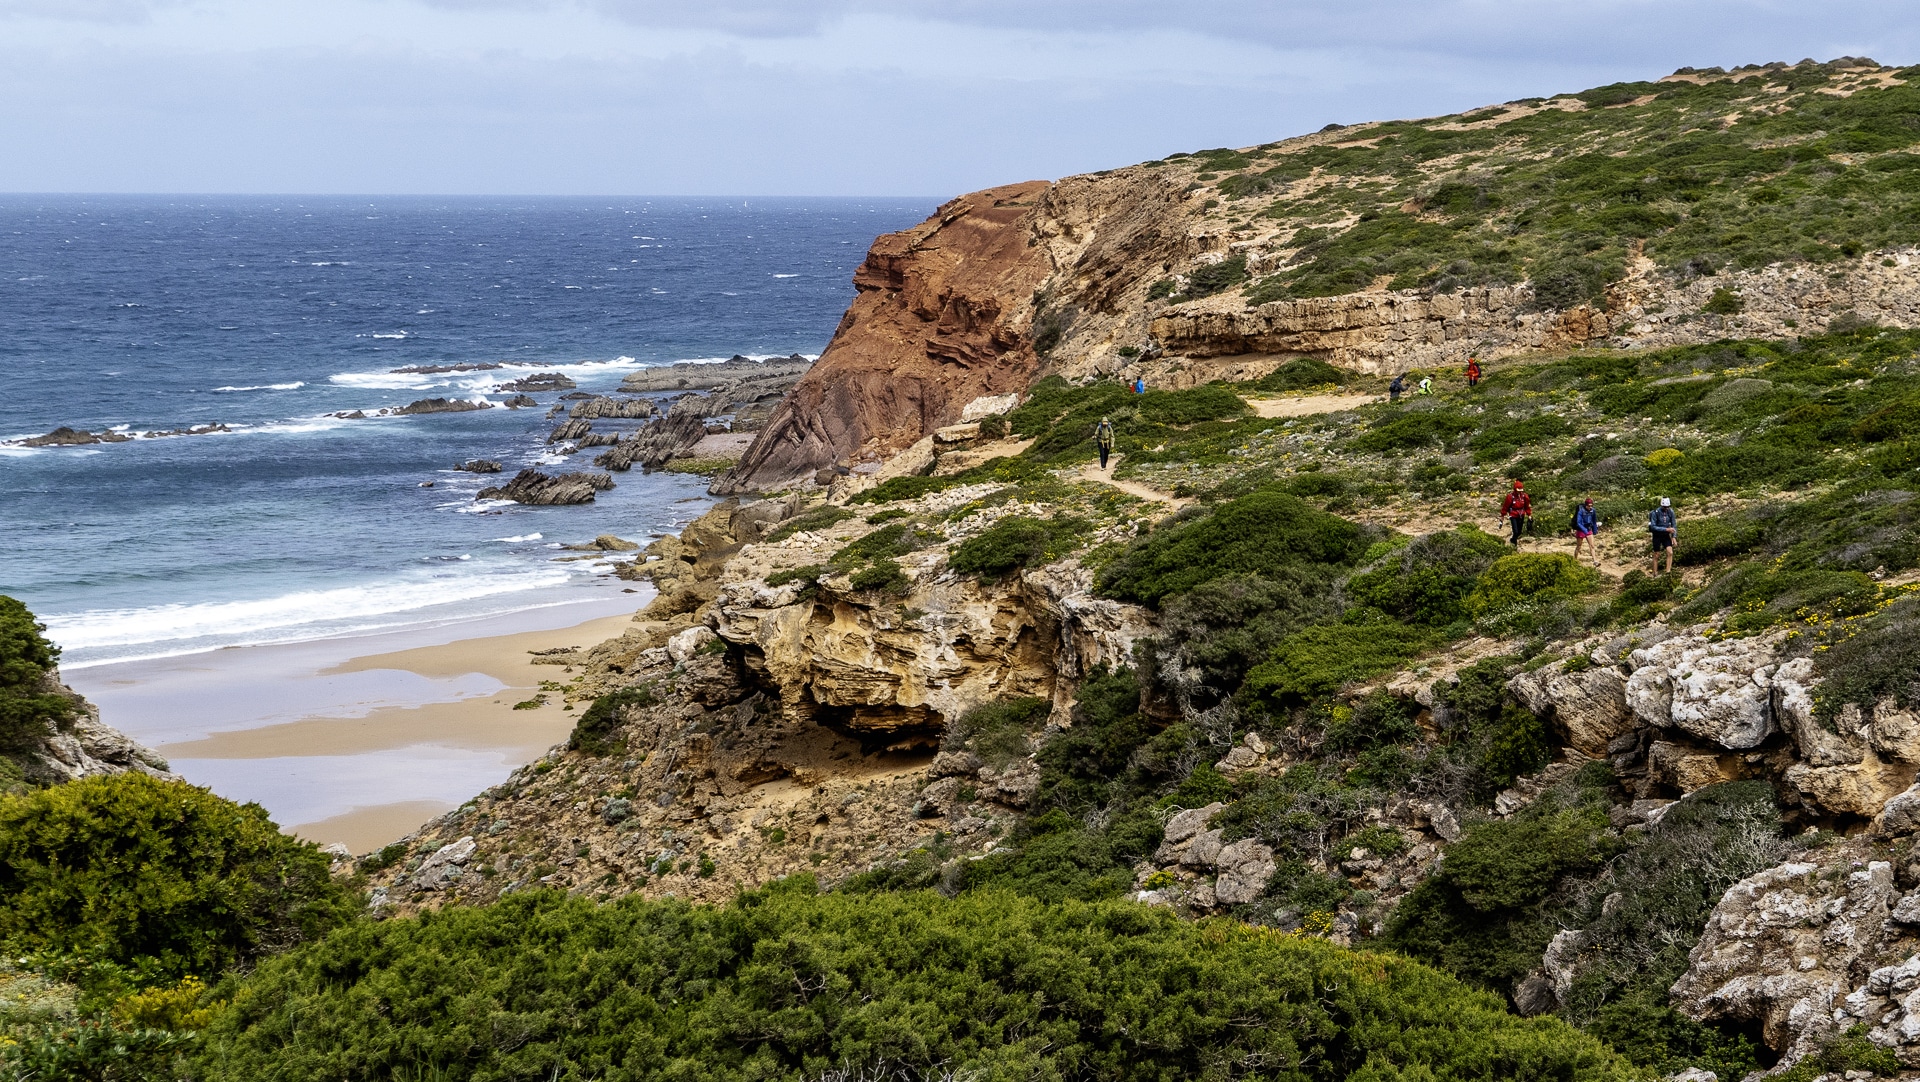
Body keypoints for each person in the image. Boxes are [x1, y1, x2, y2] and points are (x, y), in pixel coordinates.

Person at [1499, 480, 1533, 548]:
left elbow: (1527, 506)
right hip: (1513, 515)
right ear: (1515, 489)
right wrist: (1502, 516)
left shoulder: (1524, 496)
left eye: (1521, 490)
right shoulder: (1510, 497)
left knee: (1519, 532)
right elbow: (1505, 507)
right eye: (1518, 490)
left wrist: (1529, 515)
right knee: (1516, 531)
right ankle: (1514, 544)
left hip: (1521, 515)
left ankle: (1512, 539)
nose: (1520, 491)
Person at [1649, 497, 1678, 575]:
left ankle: (1668, 572)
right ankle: (1655, 573)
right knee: (1657, 554)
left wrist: (1674, 537)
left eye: (1668, 507)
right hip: (1657, 536)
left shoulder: (1670, 512)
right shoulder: (1655, 513)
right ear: (1661, 505)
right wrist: (1666, 529)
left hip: (1665, 536)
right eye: (1665, 507)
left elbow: (1674, 525)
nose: (1666, 508)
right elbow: (1653, 527)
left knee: (1670, 552)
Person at [1571, 496, 1601, 566]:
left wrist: (1595, 530)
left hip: (1588, 529)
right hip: (1581, 529)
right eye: (1589, 506)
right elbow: (1578, 522)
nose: (1590, 507)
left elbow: (1594, 521)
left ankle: (1595, 561)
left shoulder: (1593, 511)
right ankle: (1575, 560)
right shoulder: (1581, 511)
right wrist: (1584, 530)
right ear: (1586, 505)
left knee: (1592, 546)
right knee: (1579, 546)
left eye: (1591, 505)